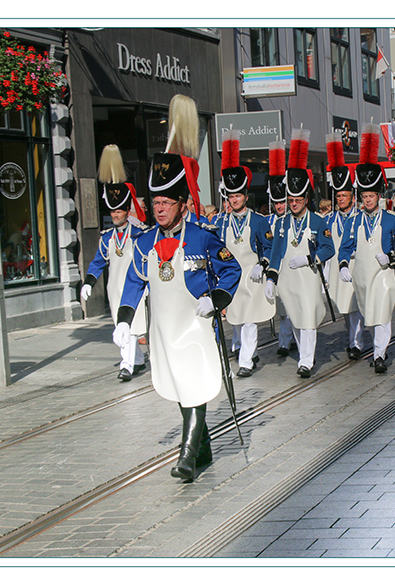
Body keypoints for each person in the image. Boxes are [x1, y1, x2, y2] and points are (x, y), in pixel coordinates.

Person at [115, 95, 241, 482]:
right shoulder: (142, 242)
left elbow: (231, 269)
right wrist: (124, 319)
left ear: (183, 204)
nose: (160, 208)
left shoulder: (204, 237)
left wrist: (215, 299)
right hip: (164, 331)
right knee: (179, 387)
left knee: (196, 384)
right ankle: (202, 450)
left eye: (167, 202)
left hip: (197, 326)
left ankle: (187, 456)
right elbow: (134, 281)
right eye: (156, 202)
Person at [337, 124, 395, 373]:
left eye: (371, 196)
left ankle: (380, 354)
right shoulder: (354, 220)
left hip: (384, 274)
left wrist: (390, 256)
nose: (368, 200)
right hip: (363, 277)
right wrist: (343, 264)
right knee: (370, 314)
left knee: (382, 314)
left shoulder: (391, 219)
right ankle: (376, 347)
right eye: (364, 196)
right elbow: (345, 246)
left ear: (379, 196)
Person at [265, 128, 335, 378]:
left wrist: (308, 259)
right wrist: (271, 278)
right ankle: (304, 353)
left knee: (307, 315)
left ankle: (306, 359)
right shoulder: (282, 223)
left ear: (306, 198)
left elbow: (329, 248)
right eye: (290, 199)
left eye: (297, 199)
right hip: (288, 278)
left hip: (308, 275)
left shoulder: (317, 221)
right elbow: (275, 251)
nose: (293, 203)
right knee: (295, 317)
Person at [81, 144, 148, 381]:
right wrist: (89, 281)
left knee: (130, 327)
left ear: (127, 210)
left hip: (136, 288)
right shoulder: (107, 238)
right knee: (122, 328)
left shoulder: (140, 233)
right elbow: (99, 261)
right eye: (113, 212)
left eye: (120, 211)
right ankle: (137, 360)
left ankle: (126, 365)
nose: (116, 215)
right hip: (114, 289)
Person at [215, 129, 274, 378]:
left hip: (251, 276)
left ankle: (246, 361)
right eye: (231, 196)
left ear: (246, 197)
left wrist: (264, 263)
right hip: (230, 279)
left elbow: (269, 246)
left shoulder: (259, 221)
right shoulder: (220, 223)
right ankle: (244, 350)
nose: (235, 200)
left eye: (238, 195)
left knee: (249, 320)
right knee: (236, 319)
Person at [325, 131, 364, 360]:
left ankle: (356, 342)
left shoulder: (359, 218)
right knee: (345, 308)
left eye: (344, 195)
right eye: (338, 196)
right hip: (338, 268)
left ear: (352, 196)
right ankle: (351, 336)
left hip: (355, 265)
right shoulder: (329, 219)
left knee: (356, 306)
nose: (341, 199)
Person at [266, 138, 296, 358]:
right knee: (282, 309)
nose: (280, 206)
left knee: (293, 306)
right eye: (277, 203)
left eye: (282, 202)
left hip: (292, 267)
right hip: (276, 269)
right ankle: (285, 340)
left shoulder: (292, 220)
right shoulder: (268, 222)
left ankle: (289, 340)